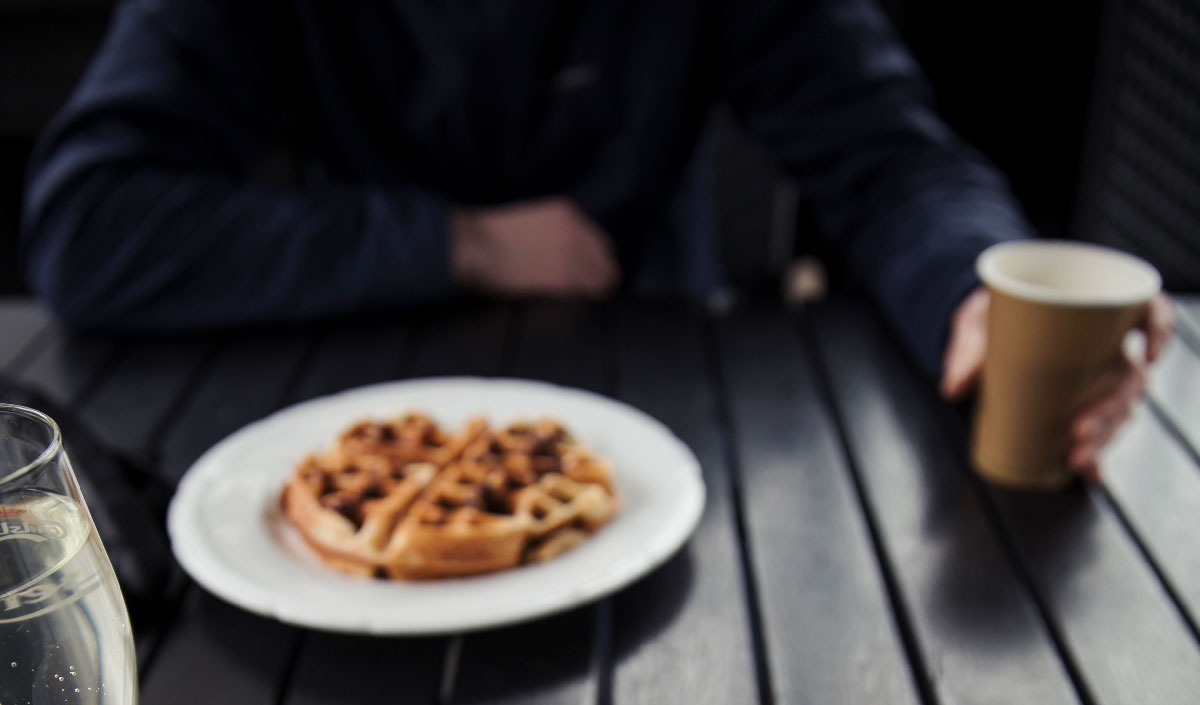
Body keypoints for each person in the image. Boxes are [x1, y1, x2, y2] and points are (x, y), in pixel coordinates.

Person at [20, 0, 1168, 479]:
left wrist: (977, 295)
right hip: (353, 392)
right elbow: (89, 226)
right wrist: (456, 242)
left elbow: (893, 158)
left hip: (662, 396)